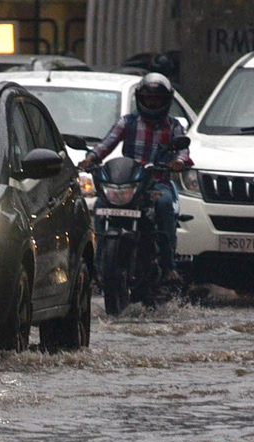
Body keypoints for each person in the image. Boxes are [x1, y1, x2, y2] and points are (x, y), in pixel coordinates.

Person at [81, 72, 191, 284]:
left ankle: (169, 267)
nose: (152, 102)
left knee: (164, 205)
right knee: (101, 204)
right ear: (140, 99)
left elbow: (183, 152)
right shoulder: (127, 122)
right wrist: (91, 159)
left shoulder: (174, 125)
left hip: (158, 183)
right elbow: (106, 144)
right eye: (148, 98)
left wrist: (179, 161)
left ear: (165, 101)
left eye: (156, 99)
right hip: (129, 183)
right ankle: (98, 266)